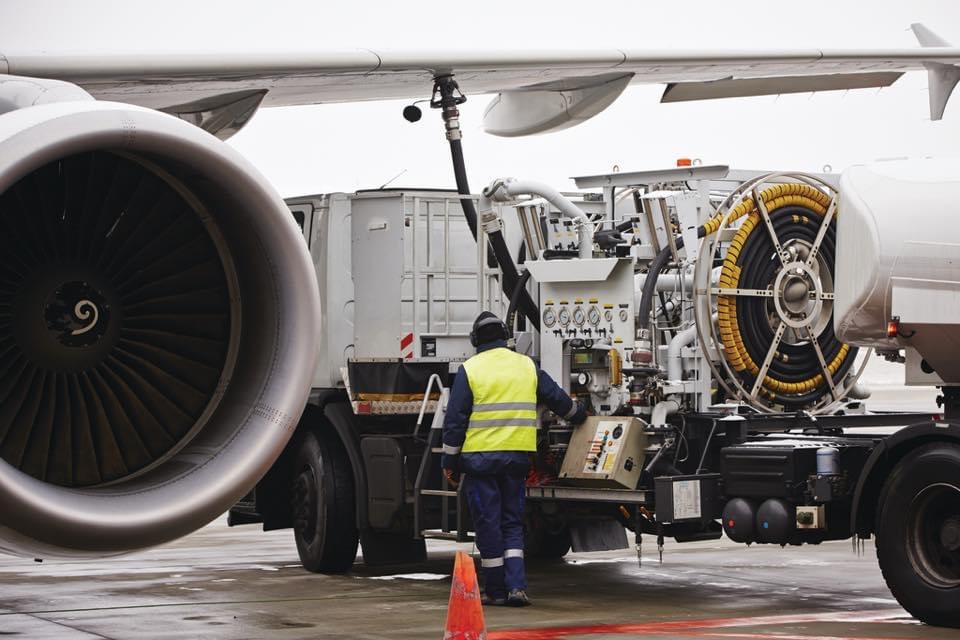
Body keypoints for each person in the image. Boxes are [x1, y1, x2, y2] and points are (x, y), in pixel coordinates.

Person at [441, 311, 586, 607]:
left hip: (480, 462)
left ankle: (495, 591)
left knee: (488, 526)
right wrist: (579, 415)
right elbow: (557, 399)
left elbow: (455, 421)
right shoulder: (526, 365)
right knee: (512, 524)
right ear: (506, 337)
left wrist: (449, 462)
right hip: (516, 460)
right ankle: (517, 587)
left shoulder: (470, 370)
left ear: (475, 340)